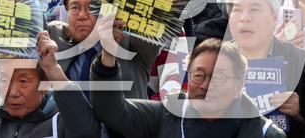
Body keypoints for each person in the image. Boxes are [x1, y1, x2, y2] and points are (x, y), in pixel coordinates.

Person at [88, 24, 285, 138]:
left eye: (219, 77)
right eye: (198, 75)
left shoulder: (267, 134)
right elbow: (112, 111)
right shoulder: (167, 114)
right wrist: (108, 55)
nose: (206, 86)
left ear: (238, 86)